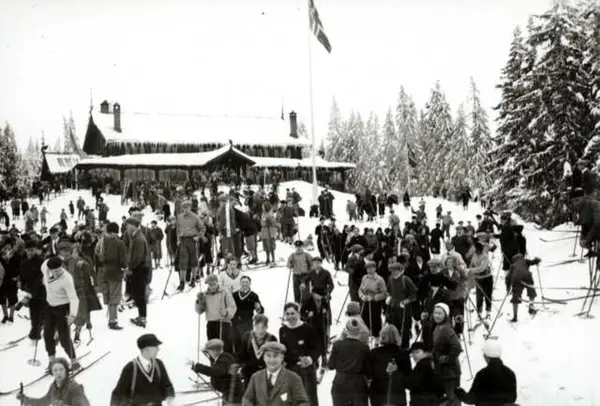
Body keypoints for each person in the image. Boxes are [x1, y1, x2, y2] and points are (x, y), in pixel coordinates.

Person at [111, 334, 175, 406]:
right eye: (155, 346)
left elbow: (168, 386)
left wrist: (170, 397)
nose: (158, 349)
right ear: (146, 349)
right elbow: (118, 395)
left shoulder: (159, 364)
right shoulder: (130, 368)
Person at [41, 256, 80, 371]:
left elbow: (73, 297)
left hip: (63, 307)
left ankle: (74, 361)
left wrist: (72, 315)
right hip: (49, 306)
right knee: (47, 334)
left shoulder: (67, 278)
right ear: (50, 269)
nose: (58, 272)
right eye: (55, 271)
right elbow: (46, 261)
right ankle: (51, 360)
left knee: (64, 338)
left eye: (60, 269)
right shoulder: (45, 267)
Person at [242, 341, 310, 406]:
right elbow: (247, 399)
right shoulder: (256, 377)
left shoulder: (293, 378)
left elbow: (303, 403)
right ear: (264, 358)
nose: (272, 360)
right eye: (268, 356)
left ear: (282, 358)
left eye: (275, 356)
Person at [279, 302, 320, 406]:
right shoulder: (283, 330)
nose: (290, 316)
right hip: (290, 370)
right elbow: (283, 350)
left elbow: (317, 349)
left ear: (298, 313)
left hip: (306, 369)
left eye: (293, 313)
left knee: (309, 399)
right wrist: (282, 360)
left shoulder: (309, 329)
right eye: (287, 314)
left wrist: (310, 359)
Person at [455, 340, 518, 406]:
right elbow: (513, 398)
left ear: (486, 357)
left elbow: (472, 399)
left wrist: (460, 393)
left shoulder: (482, 375)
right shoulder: (510, 374)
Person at [328, 318, 371, 406]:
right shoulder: (364, 348)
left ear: (346, 329)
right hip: (358, 384)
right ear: (359, 330)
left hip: (340, 382)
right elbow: (368, 371)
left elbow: (331, 365)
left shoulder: (337, 345)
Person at [17, 357, 91, 406]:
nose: (58, 373)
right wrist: (25, 400)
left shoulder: (74, 387)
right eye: (55, 370)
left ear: (66, 371)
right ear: (52, 372)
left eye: (61, 369)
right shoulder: (53, 387)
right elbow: (43, 402)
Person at [368, 324, 412, 406]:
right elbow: (408, 374)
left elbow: (369, 373)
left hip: (378, 391)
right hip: (397, 391)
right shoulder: (403, 353)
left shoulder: (374, 353)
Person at [191, 339, 244, 405]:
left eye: (209, 352)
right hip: (231, 393)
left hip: (233, 395)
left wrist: (197, 367)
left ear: (214, 351)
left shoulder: (224, 360)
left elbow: (215, 371)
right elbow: (215, 371)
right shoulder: (225, 357)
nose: (209, 354)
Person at [196, 273, 237, 353]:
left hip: (223, 322)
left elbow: (233, 306)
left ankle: (226, 360)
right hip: (211, 323)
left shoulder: (224, 291)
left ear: (217, 282)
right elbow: (199, 311)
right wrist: (199, 301)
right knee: (212, 348)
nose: (212, 287)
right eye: (210, 285)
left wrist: (226, 312)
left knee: (224, 347)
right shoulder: (205, 294)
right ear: (207, 284)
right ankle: (213, 360)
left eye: (214, 284)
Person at [97, 221, 127, 330]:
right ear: (115, 231)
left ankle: (111, 318)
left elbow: (96, 255)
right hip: (115, 272)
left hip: (103, 271)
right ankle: (113, 321)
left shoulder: (101, 241)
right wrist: (126, 267)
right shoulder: (119, 243)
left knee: (108, 295)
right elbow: (122, 260)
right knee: (114, 296)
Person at [125, 217, 152, 328]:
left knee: (140, 295)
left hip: (139, 269)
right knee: (138, 294)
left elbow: (138, 258)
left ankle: (143, 318)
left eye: (128, 225)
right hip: (137, 269)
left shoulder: (139, 239)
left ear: (133, 225)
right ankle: (141, 316)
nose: (126, 227)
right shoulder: (135, 236)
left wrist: (130, 268)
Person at [238, 314, 278, 386]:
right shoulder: (247, 337)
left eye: (262, 327)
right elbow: (242, 355)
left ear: (266, 327)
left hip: (265, 373)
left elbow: (275, 357)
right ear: (254, 326)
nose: (259, 330)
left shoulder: (272, 339)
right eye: (257, 327)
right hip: (249, 374)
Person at [177, 200, 206, 289]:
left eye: (187, 208)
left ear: (190, 207)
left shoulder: (195, 217)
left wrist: (198, 236)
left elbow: (203, 228)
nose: (185, 209)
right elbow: (178, 229)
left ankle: (193, 279)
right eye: (184, 208)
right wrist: (178, 239)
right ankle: (182, 282)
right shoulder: (179, 217)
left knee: (194, 261)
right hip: (183, 241)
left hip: (193, 241)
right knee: (182, 262)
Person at [405, 342, 445, 406]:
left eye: (417, 352)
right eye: (413, 353)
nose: (415, 355)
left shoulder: (422, 365)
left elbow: (413, 383)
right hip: (432, 399)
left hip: (422, 400)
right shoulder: (431, 362)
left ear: (425, 353)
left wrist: (404, 381)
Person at [232, 275, 264, 354]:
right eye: (243, 282)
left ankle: (246, 358)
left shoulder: (254, 295)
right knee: (236, 342)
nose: (245, 284)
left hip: (247, 322)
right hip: (235, 322)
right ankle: (237, 358)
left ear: (250, 283)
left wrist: (259, 308)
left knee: (247, 341)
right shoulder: (234, 295)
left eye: (246, 282)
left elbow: (260, 311)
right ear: (240, 283)